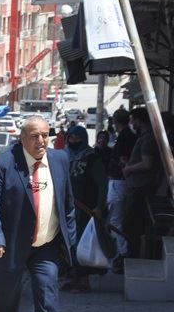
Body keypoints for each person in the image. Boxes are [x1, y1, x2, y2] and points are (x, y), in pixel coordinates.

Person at [0, 115, 76, 312]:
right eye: (34, 136)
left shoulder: (60, 159)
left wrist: (70, 237)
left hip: (46, 244)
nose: (41, 141)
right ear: (22, 138)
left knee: (47, 290)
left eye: (45, 135)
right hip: (10, 244)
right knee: (6, 296)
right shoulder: (2, 164)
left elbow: (68, 202)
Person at [63, 125, 108, 293]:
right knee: (69, 244)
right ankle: (73, 277)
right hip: (68, 207)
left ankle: (84, 280)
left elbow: (102, 184)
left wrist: (99, 206)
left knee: (83, 243)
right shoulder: (64, 156)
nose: (73, 142)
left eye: (77, 139)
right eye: (71, 138)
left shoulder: (92, 158)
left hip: (86, 208)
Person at [122, 108, 161, 259]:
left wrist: (129, 169)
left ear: (139, 120)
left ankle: (133, 256)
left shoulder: (148, 138)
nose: (132, 123)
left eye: (133, 120)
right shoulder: (144, 137)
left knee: (132, 224)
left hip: (140, 187)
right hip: (137, 186)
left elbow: (147, 163)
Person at [107, 108, 136, 268]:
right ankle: (121, 251)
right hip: (122, 181)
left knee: (116, 220)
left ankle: (122, 252)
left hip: (119, 181)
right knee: (118, 219)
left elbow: (123, 160)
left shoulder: (125, 137)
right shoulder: (128, 136)